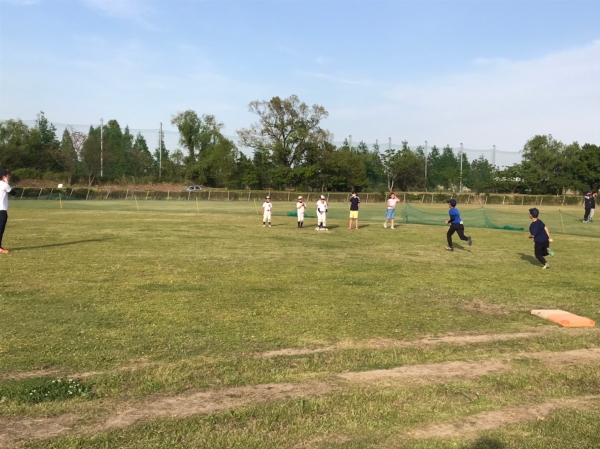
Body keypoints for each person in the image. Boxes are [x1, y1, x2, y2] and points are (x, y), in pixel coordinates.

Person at [0, 169, 16, 254]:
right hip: (1, 211)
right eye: (8, 175)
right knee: (0, 229)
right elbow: (13, 193)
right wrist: (7, 183)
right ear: (4, 176)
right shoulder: (4, 185)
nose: (9, 176)